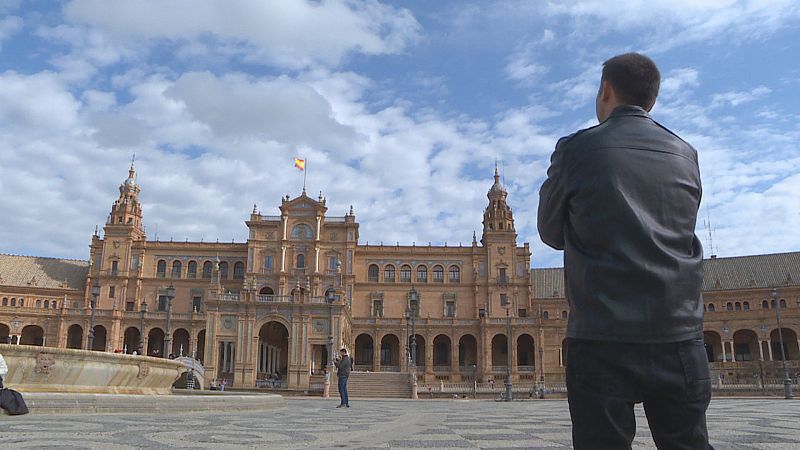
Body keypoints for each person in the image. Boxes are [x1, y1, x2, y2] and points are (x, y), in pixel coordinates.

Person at [538, 53, 712, 449]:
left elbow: (549, 232)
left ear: (605, 91)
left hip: (603, 335)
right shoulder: (686, 154)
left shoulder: (576, 150)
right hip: (680, 334)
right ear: (651, 99)